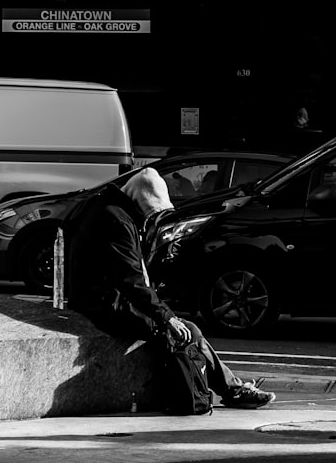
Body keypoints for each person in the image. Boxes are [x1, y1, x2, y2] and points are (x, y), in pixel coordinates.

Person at [65, 167, 275, 410]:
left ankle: (233, 388)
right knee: (188, 330)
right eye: (151, 214)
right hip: (105, 305)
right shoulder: (116, 219)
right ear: (141, 201)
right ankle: (233, 390)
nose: (150, 220)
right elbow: (130, 281)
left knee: (187, 329)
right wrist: (167, 318)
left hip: (96, 299)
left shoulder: (102, 206)